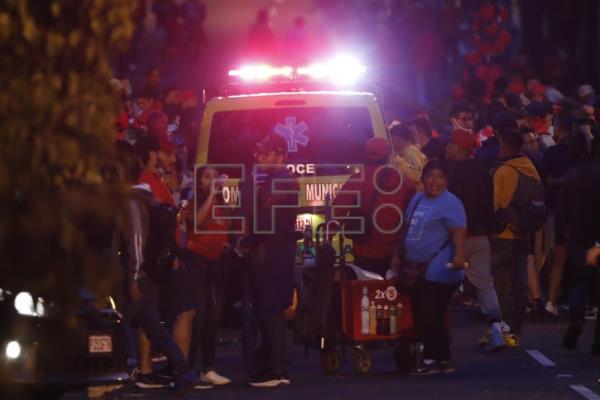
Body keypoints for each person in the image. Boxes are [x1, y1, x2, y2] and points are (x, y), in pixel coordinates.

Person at [124, 136, 197, 392]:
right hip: (155, 262)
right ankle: (173, 367)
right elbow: (139, 233)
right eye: (166, 154)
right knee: (152, 316)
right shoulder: (145, 184)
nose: (172, 158)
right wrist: (137, 273)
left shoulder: (152, 183)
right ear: (152, 155)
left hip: (157, 261)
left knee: (152, 316)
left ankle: (172, 367)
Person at [238, 134, 299, 387]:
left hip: (274, 251)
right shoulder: (276, 180)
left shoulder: (281, 181)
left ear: (281, 156)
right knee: (269, 308)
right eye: (259, 153)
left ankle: (276, 369)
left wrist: (247, 242)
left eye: (267, 154)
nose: (260, 158)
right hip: (275, 249)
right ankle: (275, 366)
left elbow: (270, 222)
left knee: (271, 308)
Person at [399, 160, 467, 375]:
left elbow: (458, 231)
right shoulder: (417, 199)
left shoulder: (451, 203)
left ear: (446, 181)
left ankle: (430, 359)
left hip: (439, 269)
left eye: (440, 177)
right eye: (430, 176)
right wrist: (396, 255)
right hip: (415, 268)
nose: (435, 181)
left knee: (429, 314)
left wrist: (458, 255)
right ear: (423, 178)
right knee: (428, 316)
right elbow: (406, 227)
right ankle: (442, 359)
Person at [445, 129, 505, 352]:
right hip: (479, 236)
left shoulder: (448, 172)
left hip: (452, 239)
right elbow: (489, 204)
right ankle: (496, 328)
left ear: (459, 147)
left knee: (441, 285)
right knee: (485, 284)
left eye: (451, 144)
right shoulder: (482, 171)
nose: (447, 147)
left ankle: (438, 335)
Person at [333, 137, 415, 277]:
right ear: (388, 156)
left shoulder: (357, 180)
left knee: (366, 292)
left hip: (364, 251)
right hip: (394, 252)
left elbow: (337, 213)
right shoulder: (405, 182)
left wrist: (325, 240)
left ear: (366, 155)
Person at [491, 128, 542, 347]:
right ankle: (517, 327)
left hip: (503, 234)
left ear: (505, 145)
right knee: (520, 281)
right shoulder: (530, 168)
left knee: (502, 283)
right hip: (524, 233)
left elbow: (498, 203)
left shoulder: (504, 171)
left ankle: (505, 326)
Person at [182, 167, 232, 386]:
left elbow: (227, 225)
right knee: (199, 316)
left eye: (215, 176)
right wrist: (212, 195)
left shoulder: (221, 204)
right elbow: (199, 222)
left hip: (216, 262)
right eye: (207, 177)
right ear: (199, 181)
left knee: (213, 316)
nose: (212, 180)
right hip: (197, 261)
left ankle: (208, 367)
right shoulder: (195, 202)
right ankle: (190, 368)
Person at [558, 138, 600, 353]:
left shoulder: (574, 175)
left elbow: (562, 208)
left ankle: (575, 323)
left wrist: (560, 234)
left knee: (578, 283)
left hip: (577, 235)